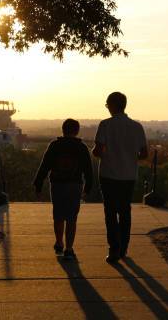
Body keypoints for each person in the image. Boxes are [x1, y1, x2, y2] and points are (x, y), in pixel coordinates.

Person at [93, 92, 148, 263]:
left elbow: (98, 151)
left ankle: (114, 248)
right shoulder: (137, 127)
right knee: (125, 211)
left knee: (110, 212)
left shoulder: (105, 125)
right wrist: (129, 159)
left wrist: (102, 154)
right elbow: (144, 153)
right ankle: (123, 247)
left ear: (112, 105)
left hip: (109, 174)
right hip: (128, 175)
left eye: (107, 105)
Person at [33, 118, 93, 260]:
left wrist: (38, 184)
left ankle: (59, 242)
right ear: (77, 131)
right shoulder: (81, 147)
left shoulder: (54, 145)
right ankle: (69, 248)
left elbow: (44, 166)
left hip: (57, 184)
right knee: (72, 218)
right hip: (74, 185)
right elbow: (88, 170)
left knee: (58, 215)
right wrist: (88, 187)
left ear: (63, 129)